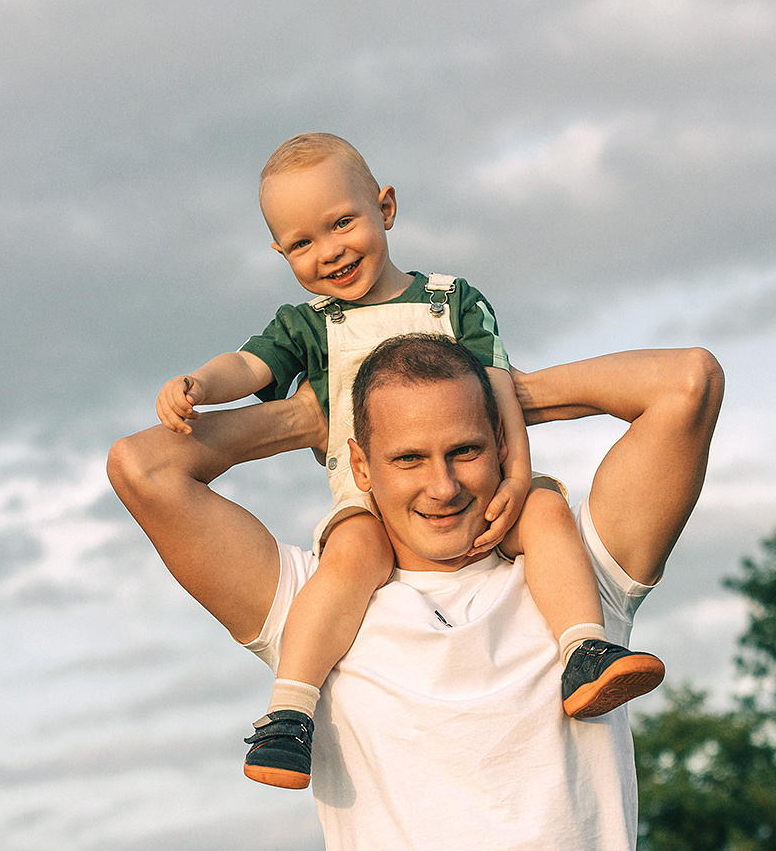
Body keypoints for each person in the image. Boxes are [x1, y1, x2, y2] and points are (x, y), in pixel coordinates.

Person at [109, 331, 726, 851]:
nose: (442, 485)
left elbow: (686, 383)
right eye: (407, 459)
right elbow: (144, 467)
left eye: (465, 451)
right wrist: (316, 418)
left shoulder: (579, 576)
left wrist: (500, 393)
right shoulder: (312, 609)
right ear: (361, 469)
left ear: (498, 446)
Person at [155, 133, 662, 791]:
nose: (330, 250)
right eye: (302, 243)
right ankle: (290, 712)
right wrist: (199, 383)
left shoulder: (451, 302)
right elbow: (248, 366)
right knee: (345, 563)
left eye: (342, 222)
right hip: (371, 500)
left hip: (474, 490)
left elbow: (500, 388)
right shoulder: (308, 328)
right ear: (280, 254)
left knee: (545, 509)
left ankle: (585, 650)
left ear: (385, 207)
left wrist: (514, 477)